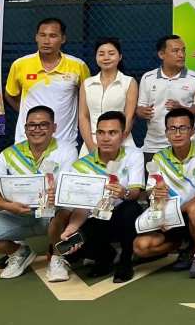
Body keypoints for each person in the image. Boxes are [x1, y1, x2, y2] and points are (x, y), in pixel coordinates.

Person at [0, 105, 77, 279]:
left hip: (52, 214)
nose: (37, 129)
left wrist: (55, 196)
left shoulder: (66, 150)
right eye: (32, 125)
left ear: (54, 128)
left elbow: (70, 189)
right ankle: (19, 252)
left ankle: (57, 257)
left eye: (43, 125)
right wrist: (8, 206)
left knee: (63, 212)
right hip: (18, 214)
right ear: (25, 129)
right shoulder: (9, 154)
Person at [58, 111, 144, 282]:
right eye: (101, 132)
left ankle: (126, 262)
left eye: (112, 133)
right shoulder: (81, 166)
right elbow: (81, 208)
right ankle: (105, 256)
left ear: (122, 135)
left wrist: (123, 192)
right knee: (75, 245)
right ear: (96, 135)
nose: (106, 138)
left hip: (122, 216)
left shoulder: (134, 155)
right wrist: (71, 228)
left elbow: (135, 193)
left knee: (130, 208)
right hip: (96, 217)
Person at [132, 108, 195, 278]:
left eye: (183, 128)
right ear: (166, 133)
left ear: (192, 131)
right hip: (169, 216)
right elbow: (150, 191)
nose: (177, 133)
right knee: (140, 246)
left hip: (193, 214)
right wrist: (155, 194)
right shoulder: (158, 158)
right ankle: (183, 246)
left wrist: (178, 211)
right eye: (172, 129)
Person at [5, 17, 90, 148]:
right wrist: (29, 113)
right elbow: (10, 94)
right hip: (25, 142)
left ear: (63, 39)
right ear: (36, 37)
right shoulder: (20, 64)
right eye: (42, 35)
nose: (46, 41)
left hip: (64, 143)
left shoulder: (78, 66)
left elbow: (88, 99)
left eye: (53, 36)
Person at [137, 35, 195, 166]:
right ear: (161, 54)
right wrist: (142, 112)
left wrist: (182, 109)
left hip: (186, 147)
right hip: (153, 146)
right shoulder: (148, 77)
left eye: (183, 50)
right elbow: (139, 108)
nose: (181, 55)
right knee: (153, 185)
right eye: (175, 51)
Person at [78, 38, 137, 156]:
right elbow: (83, 116)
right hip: (91, 143)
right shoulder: (87, 84)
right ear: (95, 57)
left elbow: (129, 117)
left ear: (120, 56)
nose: (106, 57)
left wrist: (115, 145)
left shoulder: (129, 82)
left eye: (111, 53)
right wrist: (91, 146)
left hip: (121, 142)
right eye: (101, 54)